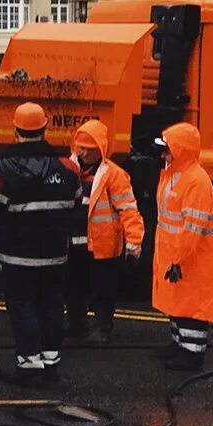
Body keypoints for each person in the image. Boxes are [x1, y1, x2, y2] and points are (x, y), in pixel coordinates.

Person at [0, 103, 83, 388]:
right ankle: (50, 363)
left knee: (23, 306)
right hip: (56, 254)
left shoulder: (4, 169)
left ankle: (29, 365)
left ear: (15, 129)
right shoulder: (67, 167)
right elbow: (75, 202)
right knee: (52, 305)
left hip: (19, 255)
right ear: (45, 128)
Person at [67, 119, 145, 344]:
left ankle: (102, 327)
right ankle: (76, 323)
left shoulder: (114, 175)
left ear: (100, 149)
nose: (83, 153)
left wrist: (134, 242)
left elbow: (128, 210)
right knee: (73, 285)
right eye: (80, 147)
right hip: (74, 243)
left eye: (88, 149)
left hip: (103, 245)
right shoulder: (69, 170)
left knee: (103, 289)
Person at [152, 122, 213, 371]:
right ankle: (180, 345)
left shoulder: (196, 181)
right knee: (178, 300)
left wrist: (178, 259)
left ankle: (192, 355)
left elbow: (193, 228)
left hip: (191, 257)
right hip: (176, 254)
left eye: (167, 150)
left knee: (192, 304)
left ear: (181, 150)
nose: (163, 155)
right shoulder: (175, 175)